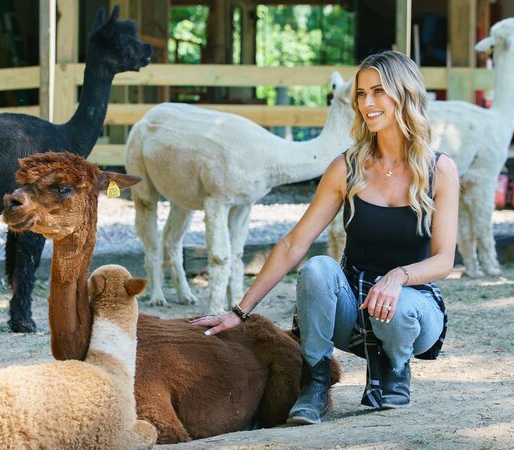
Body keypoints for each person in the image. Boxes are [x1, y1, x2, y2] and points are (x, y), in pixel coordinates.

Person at [191, 50, 459, 424]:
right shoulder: (346, 168)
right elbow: (292, 245)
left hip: (413, 311)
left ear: (405, 95)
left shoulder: (439, 170)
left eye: (378, 91)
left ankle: (394, 367)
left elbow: (444, 259)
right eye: (361, 94)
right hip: (353, 307)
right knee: (317, 267)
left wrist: (398, 276)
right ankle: (314, 383)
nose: (367, 103)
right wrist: (240, 311)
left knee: (395, 306)